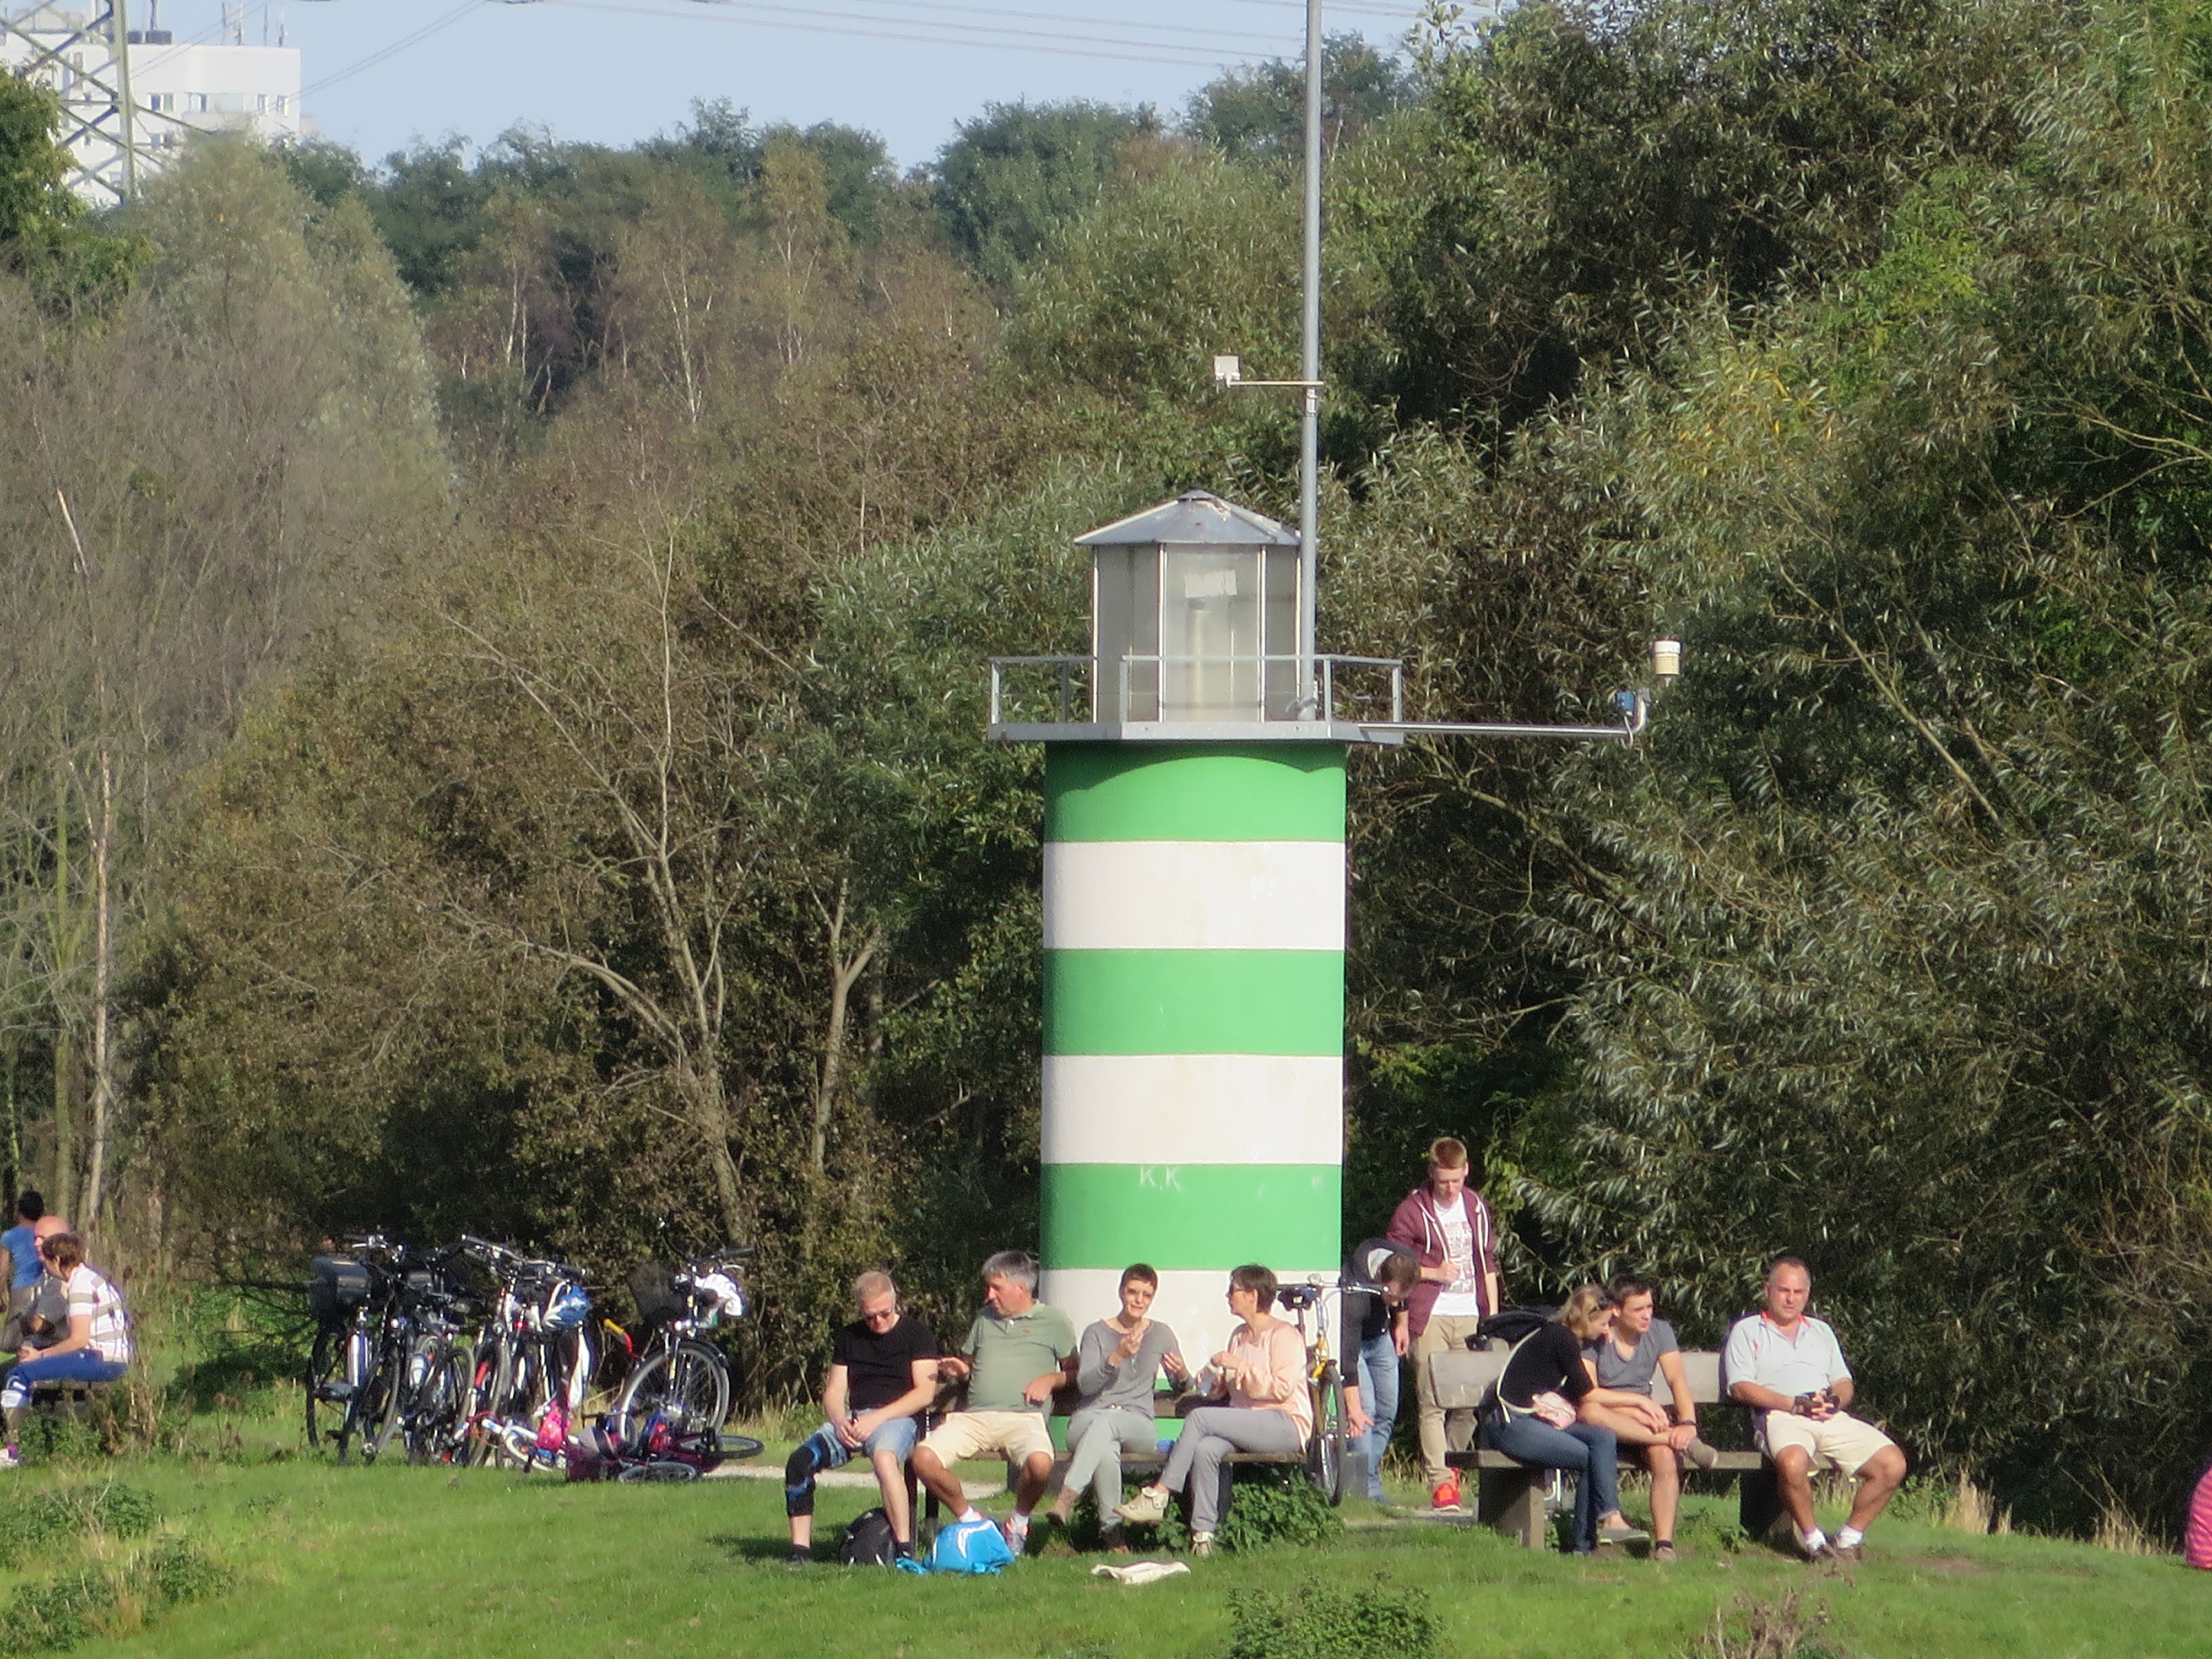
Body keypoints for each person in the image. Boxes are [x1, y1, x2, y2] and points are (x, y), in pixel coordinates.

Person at [1112, 1264, 1311, 1558]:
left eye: (1234, 1290)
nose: (1228, 1295)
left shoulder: (1284, 1336)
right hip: (1246, 1420)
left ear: (1253, 1296)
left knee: (1200, 1417)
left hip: (1284, 1422)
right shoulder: (1239, 1336)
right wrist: (1215, 1383)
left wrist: (1238, 1365)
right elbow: (1236, 1389)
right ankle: (1204, 1535)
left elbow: (1281, 1389)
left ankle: (1160, 1494)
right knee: (1206, 1449)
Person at [1723, 1256, 1907, 1563]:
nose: (1790, 1299)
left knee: (1893, 1465)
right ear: (1767, 1290)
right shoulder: (1747, 1330)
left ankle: (1849, 1540)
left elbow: (1844, 1381)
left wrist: (1834, 1400)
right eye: (1783, 1291)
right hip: (1781, 1415)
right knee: (1793, 1463)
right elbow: (1741, 1387)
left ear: (1807, 1295)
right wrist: (1793, 1403)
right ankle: (1814, 1542)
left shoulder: (1821, 1331)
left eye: (1798, 1292)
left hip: (1829, 1415)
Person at [910, 1251, 1078, 1553]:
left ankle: (1018, 1522)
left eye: (996, 1288)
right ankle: (972, 1520)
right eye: (988, 1287)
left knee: (1041, 1465)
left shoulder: (1054, 1321)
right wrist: (961, 1372)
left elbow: (1075, 1372)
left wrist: (1051, 1380)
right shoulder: (984, 1319)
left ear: (1021, 1288)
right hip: (973, 1417)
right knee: (922, 1459)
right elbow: (969, 1366)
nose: (989, 1295)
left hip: (1025, 1418)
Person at [1478, 1285, 1652, 1553]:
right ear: (1589, 1318)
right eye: (1604, 1323)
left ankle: (1600, 1530)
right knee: (1590, 1457)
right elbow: (1589, 1394)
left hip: (1536, 1420)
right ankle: (1591, 1536)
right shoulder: (1562, 1339)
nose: (1606, 1331)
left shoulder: (1564, 1338)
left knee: (1602, 1437)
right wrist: (1640, 1400)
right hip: (1510, 1424)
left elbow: (1575, 1393)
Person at [784, 1270, 940, 1566]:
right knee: (799, 1462)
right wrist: (840, 1421)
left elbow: (924, 1394)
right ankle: (800, 1552)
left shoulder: (917, 1335)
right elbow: (834, 1391)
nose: (878, 1322)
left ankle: (904, 1548)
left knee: (884, 1459)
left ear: (895, 1303)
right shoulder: (849, 1337)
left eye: (884, 1313)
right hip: (855, 1419)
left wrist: (877, 1419)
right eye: (871, 1317)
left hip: (898, 1418)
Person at [1386, 1136, 1501, 1512]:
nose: (1451, 1189)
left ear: (1467, 1171)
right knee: (1432, 1400)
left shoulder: (1476, 1208)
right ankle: (1440, 1483)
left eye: (1457, 1180)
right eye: (1444, 1181)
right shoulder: (1412, 1210)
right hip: (1429, 1314)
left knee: (1470, 1401)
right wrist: (1430, 1278)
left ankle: (1452, 1469)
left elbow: (1488, 1264)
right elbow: (1395, 1268)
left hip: (1470, 1314)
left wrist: (1494, 1320)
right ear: (1432, 1173)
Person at [1042, 1264, 1188, 1548]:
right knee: (1106, 1447)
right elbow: (1086, 1386)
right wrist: (1117, 1356)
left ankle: (1067, 1496)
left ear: (1152, 1298)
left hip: (1138, 1424)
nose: (1139, 1300)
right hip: (1089, 1419)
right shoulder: (1097, 1332)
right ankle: (1113, 1534)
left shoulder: (1161, 1334)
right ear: (1122, 1292)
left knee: (1109, 1425)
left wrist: (1182, 1374)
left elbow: (1183, 1387)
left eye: (1146, 1295)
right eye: (1133, 1292)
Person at [1577, 1276, 1721, 1562]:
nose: (1647, 1315)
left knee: (1665, 1457)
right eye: (1638, 1309)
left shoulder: (1659, 1331)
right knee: (1591, 1413)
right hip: (1608, 1417)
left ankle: (1664, 1543)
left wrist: (1689, 1423)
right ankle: (1674, 1438)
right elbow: (1590, 1394)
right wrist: (1639, 1402)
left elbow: (1677, 1379)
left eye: (1650, 1307)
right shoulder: (1598, 1334)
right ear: (1617, 1310)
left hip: (1645, 1423)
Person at [0, 1232, 131, 1469]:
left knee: (19, 1375)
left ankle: (14, 1450)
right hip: (110, 1358)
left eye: (48, 1263)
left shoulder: (80, 1286)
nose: (47, 1269)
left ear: (58, 1261)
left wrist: (39, 1356)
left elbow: (79, 1340)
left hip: (99, 1358)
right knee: (25, 1371)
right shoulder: (92, 1279)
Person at [1339, 1237, 1417, 1503]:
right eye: (1392, 1297)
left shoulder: (1404, 1258)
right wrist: (1353, 1409)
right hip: (1356, 1345)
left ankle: (1370, 1477)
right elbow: (1348, 1359)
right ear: (1379, 1281)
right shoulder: (1356, 1295)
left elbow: (1403, 1296)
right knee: (1366, 1413)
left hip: (1381, 1338)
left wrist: (1401, 1324)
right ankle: (1360, 1489)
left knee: (1387, 1411)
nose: (1395, 1304)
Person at [0, 1193, 45, 1354]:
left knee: (11, 1340)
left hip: (21, 1287)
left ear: (19, 1211)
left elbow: (2, 1271)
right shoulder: (44, 1233)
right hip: (45, 1287)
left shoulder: (9, 1237)